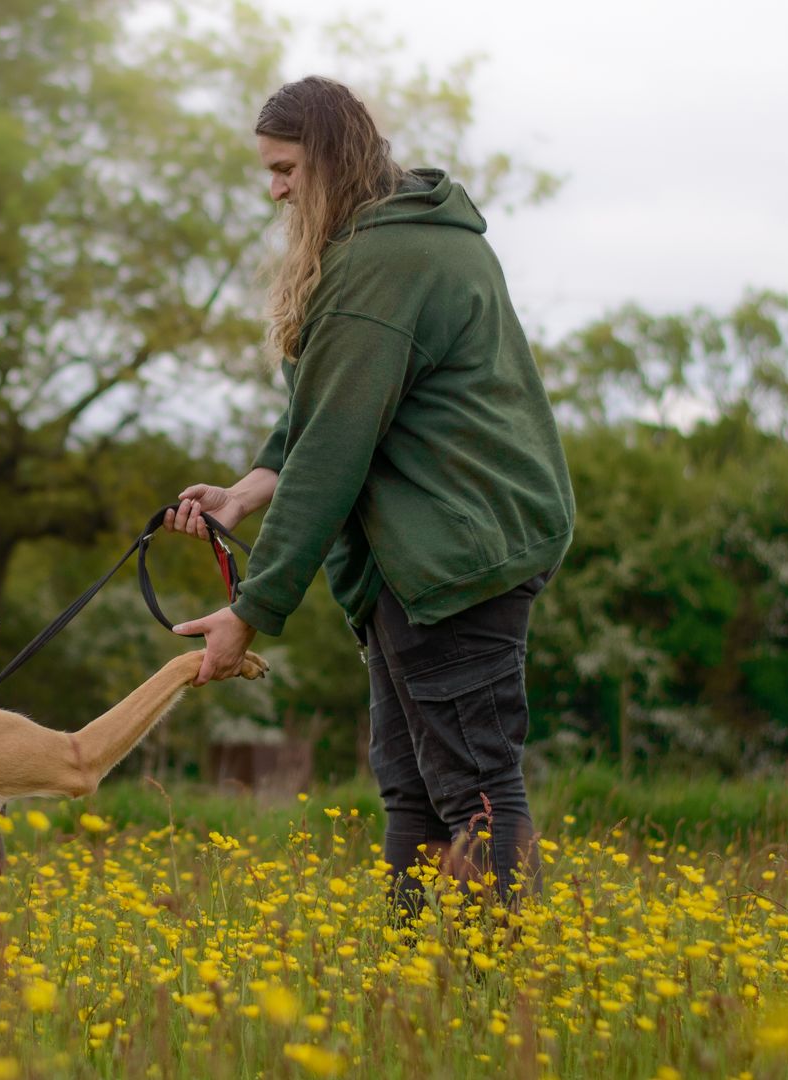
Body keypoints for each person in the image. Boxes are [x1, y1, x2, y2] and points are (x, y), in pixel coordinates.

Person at [164, 76, 574, 914]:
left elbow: (335, 452)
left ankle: (500, 999)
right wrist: (245, 492)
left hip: (450, 548)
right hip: (426, 550)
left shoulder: (382, 261)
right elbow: (324, 410)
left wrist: (252, 609)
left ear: (332, 157)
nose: (273, 188)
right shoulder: (397, 236)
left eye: (285, 169)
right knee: (414, 792)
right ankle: (408, 986)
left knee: (475, 791)